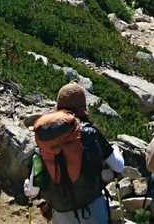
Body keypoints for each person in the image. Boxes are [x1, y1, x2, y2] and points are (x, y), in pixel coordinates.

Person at [28, 83, 122, 224]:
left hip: (61, 216)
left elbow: (32, 190)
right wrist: (115, 149)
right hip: (94, 212)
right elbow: (118, 166)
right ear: (83, 108)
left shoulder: (46, 141)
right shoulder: (90, 134)